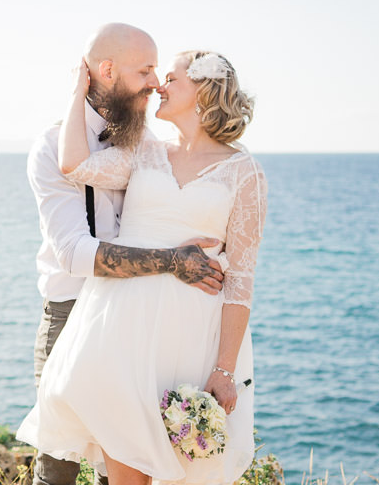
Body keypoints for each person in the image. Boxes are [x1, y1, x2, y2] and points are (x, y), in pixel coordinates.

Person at [18, 48, 267, 485]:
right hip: (118, 325)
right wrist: (80, 89)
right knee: (123, 473)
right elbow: (73, 163)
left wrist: (224, 370)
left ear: (204, 91)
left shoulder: (245, 173)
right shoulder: (145, 152)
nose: (158, 86)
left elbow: (241, 281)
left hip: (189, 333)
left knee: (179, 470)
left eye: (171, 79)